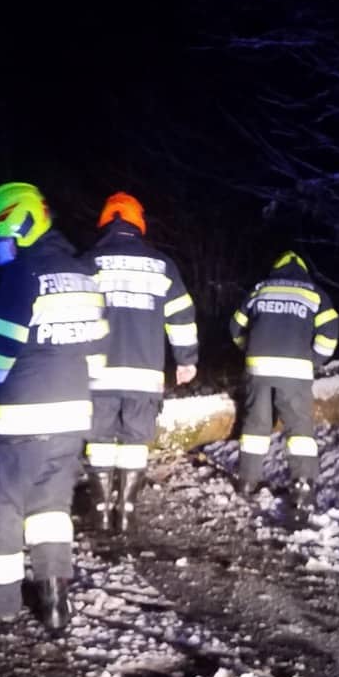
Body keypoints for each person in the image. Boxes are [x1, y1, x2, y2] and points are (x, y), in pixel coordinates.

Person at [0, 182, 107, 632]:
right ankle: (55, 600)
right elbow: (97, 347)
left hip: (18, 416)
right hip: (72, 414)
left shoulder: (21, 276)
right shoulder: (82, 274)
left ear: (19, 229)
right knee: (51, 507)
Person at [83, 191, 198, 531]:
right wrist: (186, 360)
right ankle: (127, 512)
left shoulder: (87, 262)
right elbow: (181, 316)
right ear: (139, 224)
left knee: (99, 438)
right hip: (145, 375)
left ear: (104, 223)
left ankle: (101, 512)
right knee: (135, 440)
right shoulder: (163, 266)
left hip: (97, 374)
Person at [228, 250, 339, 510]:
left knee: (255, 425)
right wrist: (313, 360)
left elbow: (235, 327)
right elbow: (330, 334)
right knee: (299, 429)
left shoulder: (260, 290)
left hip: (258, 368)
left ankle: (247, 481)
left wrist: (249, 349)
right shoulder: (315, 294)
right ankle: (302, 486)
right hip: (296, 372)